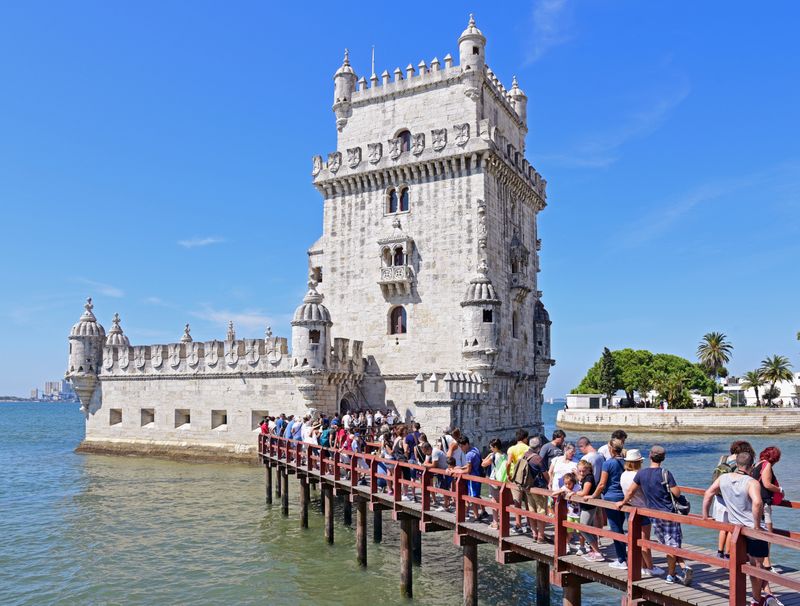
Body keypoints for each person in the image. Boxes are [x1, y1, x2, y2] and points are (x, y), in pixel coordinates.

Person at [703, 450, 780, 606]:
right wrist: (757, 526)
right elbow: (757, 503)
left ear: (736, 463)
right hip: (752, 529)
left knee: (739, 564)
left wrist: (705, 515)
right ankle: (757, 600)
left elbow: (708, 493)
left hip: (736, 529)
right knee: (757, 566)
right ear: (751, 466)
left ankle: (755, 596)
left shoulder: (723, 478)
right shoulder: (752, 482)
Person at [618, 445, 693, 586]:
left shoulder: (641, 474)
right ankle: (672, 575)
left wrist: (622, 502)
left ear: (650, 456)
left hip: (652, 514)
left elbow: (630, 492)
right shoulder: (665, 473)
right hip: (668, 513)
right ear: (663, 458)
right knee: (673, 544)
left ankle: (681, 568)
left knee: (665, 543)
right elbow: (676, 493)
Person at [619, 449, 660, 576]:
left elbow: (628, 492)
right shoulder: (641, 475)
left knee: (635, 539)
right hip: (642, 509)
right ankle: (650, 567)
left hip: (630, 509)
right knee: (644, 541)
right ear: (639, 462)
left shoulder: (623, 474)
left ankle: (642, 565)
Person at [713, 440, 756, 559]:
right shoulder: (738, 462)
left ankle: (719, 552)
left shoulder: (723, 458)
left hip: (719, 497)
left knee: (723, 527)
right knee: (732, 528)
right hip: (731, 498)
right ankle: (728, 553)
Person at [592, 437, 628, 569]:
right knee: (620, 527)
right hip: (624, 498)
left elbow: (601, 484)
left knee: (615, 529)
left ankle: (621, 559)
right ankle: (623, 556)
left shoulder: (608, 463)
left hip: (611, 498)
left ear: (611, 449)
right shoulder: (626, 462)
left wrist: (593, 496)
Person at [752, 447, 784, 574]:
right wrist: (780, 490)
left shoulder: (757, 464)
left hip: (755, 502)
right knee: (769, 534)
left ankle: (757, 560)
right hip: (764, 503)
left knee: (757, 531)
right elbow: (766, 484)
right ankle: (767, 564)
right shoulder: (767, 465)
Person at [512, 436, 549, 542]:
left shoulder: (525, 455)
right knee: (541, 511)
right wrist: (549, 484)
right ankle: (541, 536)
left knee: (531, 510)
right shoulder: (537, 458)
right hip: (538, 488)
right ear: (539, 447)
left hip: (527, 487)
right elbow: (545, 474)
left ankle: (534, 534)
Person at [573, 459, 604, 562]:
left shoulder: (589, 478)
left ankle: (597, 552)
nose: (582, 473)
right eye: (580, 471)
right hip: (587, 505)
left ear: (589, 469)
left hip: (589, 506)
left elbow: (584, 492)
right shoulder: (586, 477)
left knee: (583, 527)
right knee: (589, 528)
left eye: (584, 471)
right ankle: (594, 550)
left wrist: (573, 493)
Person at [450, 435, 485, 520]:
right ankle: (484, 511)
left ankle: (476, 516)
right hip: (478, 476)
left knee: (472, 497)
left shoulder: (468, 455)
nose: (461, 448)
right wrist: (461, 467)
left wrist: (457, 471)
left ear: (466, 444)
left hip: (472, 478)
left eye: (462, 446)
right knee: (476, 495)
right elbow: (470, 465)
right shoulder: (475, 449)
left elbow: (468, 470)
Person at [506, 429, 531, 535]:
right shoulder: (529, 448)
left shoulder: (511, 449)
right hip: (527, 478)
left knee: (517, 502)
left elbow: (508, 463)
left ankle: (518, 525)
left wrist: (508, 474)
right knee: (528, 503)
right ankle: (529, 524)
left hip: (516, 478)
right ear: (525, 438)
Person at [482, 438, 506, 528]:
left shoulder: (494, 456)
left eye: (491, 447)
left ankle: (495, 522)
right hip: (502, 480)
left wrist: (489, 455)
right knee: (501, 501)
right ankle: (503, 522)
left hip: (494, 481)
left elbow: (483, 464)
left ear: (495, 447)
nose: (490, 449)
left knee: (494, 501)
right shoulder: (504, 455)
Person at [422, 441, 451, 511]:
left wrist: (425, 465)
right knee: (444, 488)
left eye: (425, 451)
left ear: (428, 449)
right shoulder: (430, 452)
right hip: (442, 471)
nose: (424, 453)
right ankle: (447, 505)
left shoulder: (434, 452)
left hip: (445, 471)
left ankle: (446, 506)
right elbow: (426, 462)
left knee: (445, 489)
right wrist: (426, 464)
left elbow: (434, 465)